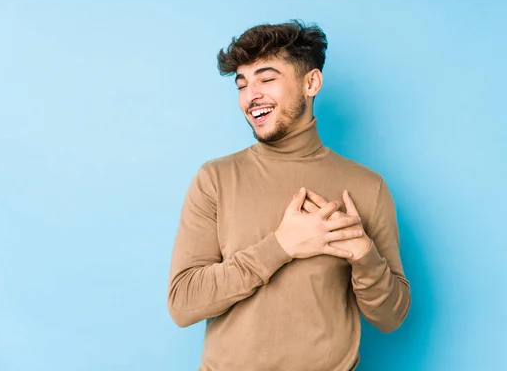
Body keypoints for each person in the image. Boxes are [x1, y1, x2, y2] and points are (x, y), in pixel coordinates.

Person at [167, 19, 411, 371]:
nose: (251, 96)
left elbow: (392, 317)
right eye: (242, 84)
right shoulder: (215, 179)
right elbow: (183, 302)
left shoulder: (366, 187)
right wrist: (281, 246)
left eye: (266, 79)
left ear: (311, 82)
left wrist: (365, 256)